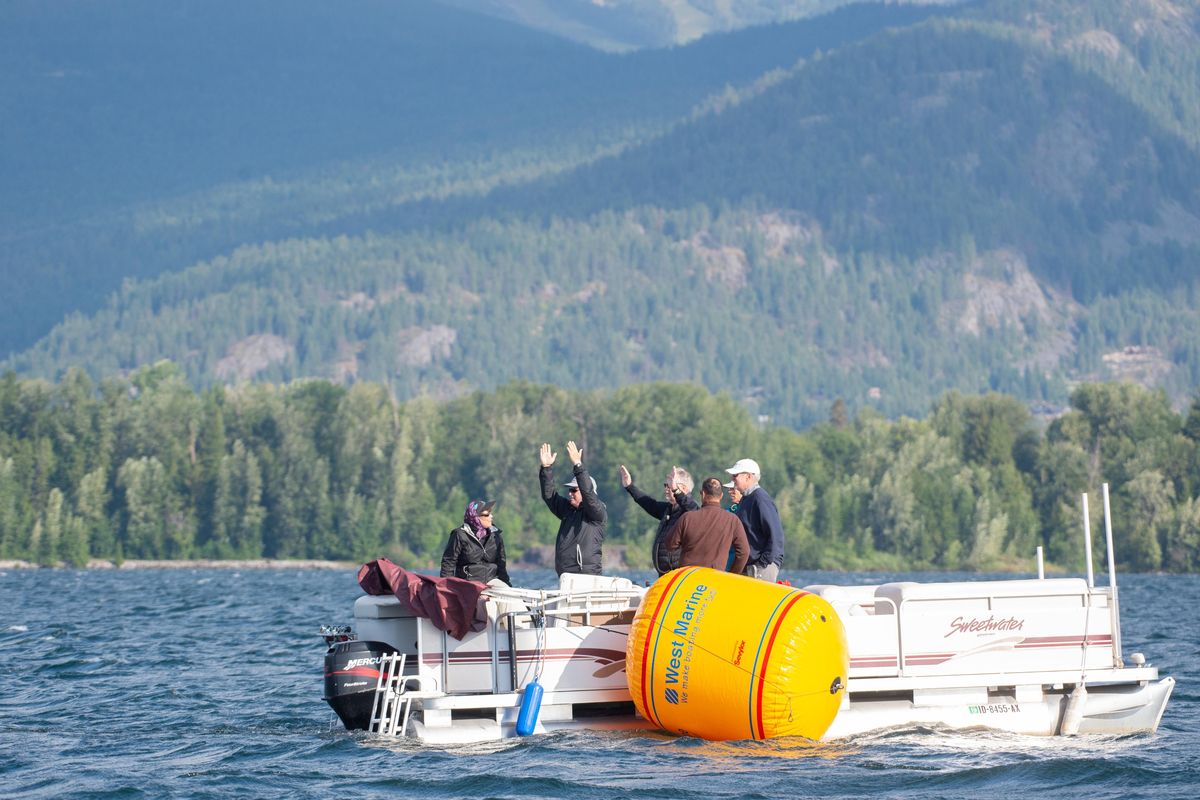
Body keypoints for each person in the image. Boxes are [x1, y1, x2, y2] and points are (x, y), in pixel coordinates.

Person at [539, 440, 606, 575]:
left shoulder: (596, 512)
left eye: (574, 490)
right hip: (566, 576)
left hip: (585, 576)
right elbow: (549, 496)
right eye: (569, 490)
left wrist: (578, 465)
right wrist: (546, 469)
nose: (570, 494)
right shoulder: (568, 510)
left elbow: (588, 493)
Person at [619, 464, 698, 575]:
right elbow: (650, 503)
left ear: (684, 488)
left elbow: (693, 509)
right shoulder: (669, 509)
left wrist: (676, 491)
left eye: (670, 485)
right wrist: (630, 486)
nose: (666, 489)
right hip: (665, 574)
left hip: (679, 574)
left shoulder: (689, 510)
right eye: (666, 485)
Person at [666, 478, 750, 572]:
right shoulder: (732, 520)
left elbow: (670, 545)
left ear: (703, 494)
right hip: (714, 578)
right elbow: (744, 552)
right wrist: (733, 574)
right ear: (721, 496)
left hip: (689, 576)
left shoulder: (687, 518)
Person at [726, 457, 784, 582]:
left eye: (735, 475)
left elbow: (775, 536)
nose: (732, 479)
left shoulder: (760, 499)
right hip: (751, 565)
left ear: (748, 477)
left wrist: (761, 564)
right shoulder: (747, 499)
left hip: (762, 566)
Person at [440, 499, 511, 585]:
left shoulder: (496, 536)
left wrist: (507, 585)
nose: (491, 516)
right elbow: (448, 563)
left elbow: (501, 566)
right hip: (468, 584)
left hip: (492, 583)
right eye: (487, 514)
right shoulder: (459, 534)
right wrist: (446, 587)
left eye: (491, 513)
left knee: (506, 590)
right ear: (475, 517)